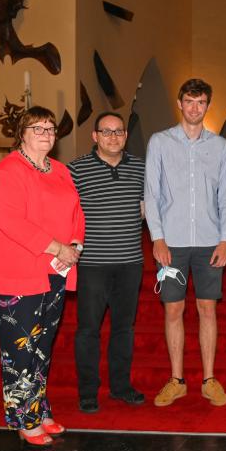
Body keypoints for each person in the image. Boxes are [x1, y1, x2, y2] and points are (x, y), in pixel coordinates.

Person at [0, 106, 85, 446]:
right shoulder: (10, 170)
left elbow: (77, 212)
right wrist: (57, 247)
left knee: (40, 349)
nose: (46, 133)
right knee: (19, 350)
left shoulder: (62, 171)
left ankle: (38, 409)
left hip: (53, 271)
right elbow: (10, 220)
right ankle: (23, 418)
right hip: (14, 272)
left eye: (51, 128)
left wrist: (75, 245)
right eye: (37, 127)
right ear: (21, 133)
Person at [144, 78, 226, 407]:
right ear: (180, 103)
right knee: (173, 309)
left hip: (210, 241)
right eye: (189, 101)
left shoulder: (220, 146)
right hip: (172, 242)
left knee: (207, 309)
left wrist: (225, 240)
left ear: (207, 106)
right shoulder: (160, 142)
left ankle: (209, 379)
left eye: (201, 103)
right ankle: (177, 379)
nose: (195, 108)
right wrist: (157, 238)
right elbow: (151, 195)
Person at [68, 112, 145, 413]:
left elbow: (146, 208)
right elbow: (67, 213)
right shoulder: (77, 170)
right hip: (92, 264)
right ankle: (88, 391)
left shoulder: (140, 168)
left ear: (125, 135)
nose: (113, 137)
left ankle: (121, 387)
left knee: (124, 328)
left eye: (119, 131)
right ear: (95, 136)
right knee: (88, 329)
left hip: (130, 263)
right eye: (106, 131)